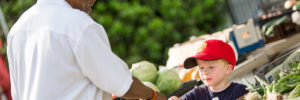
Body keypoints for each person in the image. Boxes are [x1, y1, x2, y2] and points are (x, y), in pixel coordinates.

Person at [6, 0, 166, 100]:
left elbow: (18, 95)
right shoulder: (78, 24)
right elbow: (122, 84)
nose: (93, 2)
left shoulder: (18, 29)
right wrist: (153, 96)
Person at [168, 39, 248, 100]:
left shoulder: (240, 91)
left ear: (227, 69)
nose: (205, 72)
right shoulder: (196, 94)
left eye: (211, 67)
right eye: (201, 68)